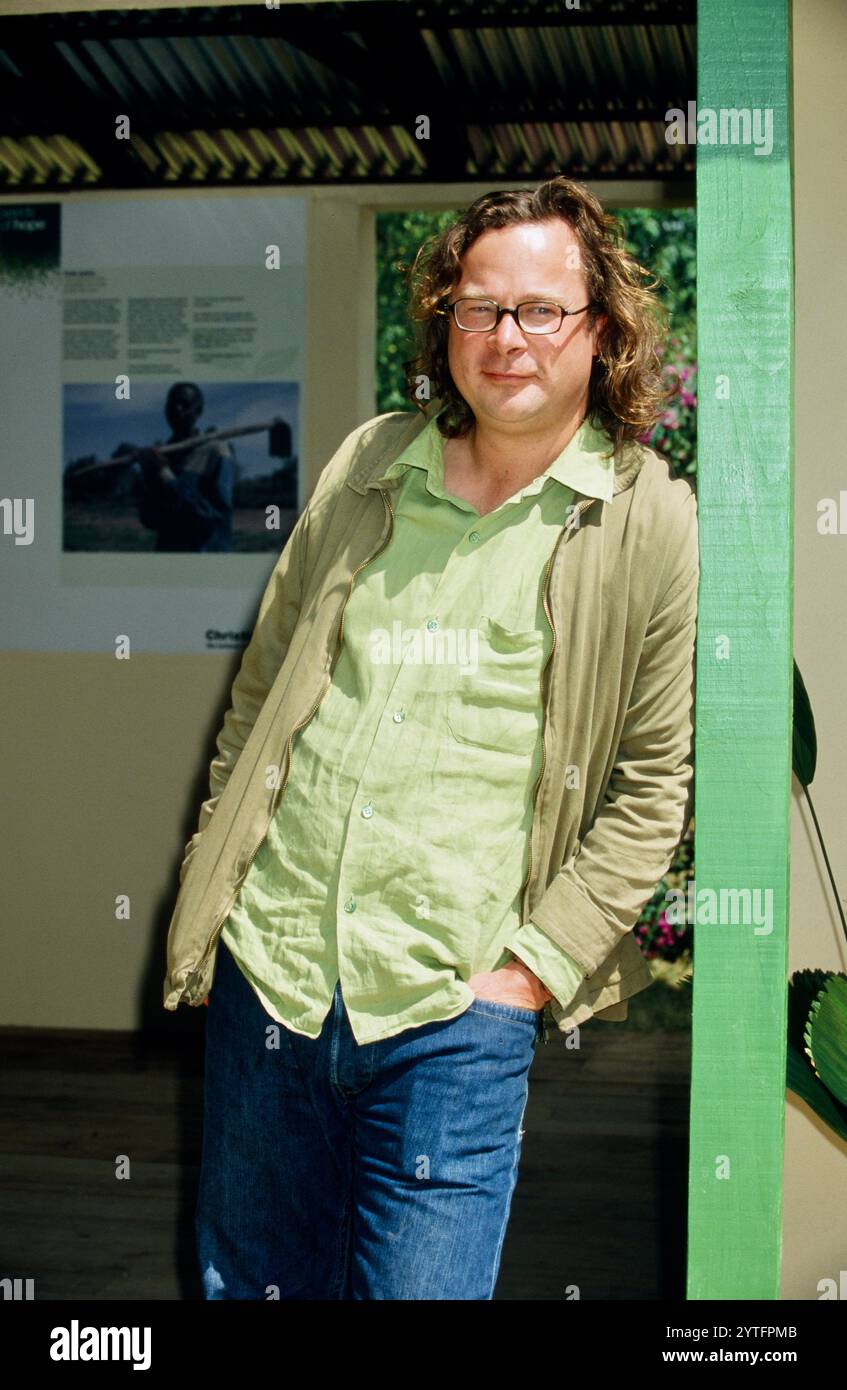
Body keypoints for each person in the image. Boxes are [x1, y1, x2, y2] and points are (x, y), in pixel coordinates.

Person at [163, 174, 699, 1300]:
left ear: (599, 330)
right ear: (445, 322)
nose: (506, 337)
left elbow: (652, 787)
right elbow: (259, 705)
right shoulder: (369, 465)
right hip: (275, 979)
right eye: (477, 307)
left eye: (539, 310)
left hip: (454, 1012)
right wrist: (224, 891)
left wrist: (529, 971)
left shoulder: (645, 513)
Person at [129, 382, 235, 552]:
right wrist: (149, 476)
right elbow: (149, 520)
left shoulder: (216, 451)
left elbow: (214, 520)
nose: (177, 409)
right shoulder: (161, 456)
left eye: (185, 404)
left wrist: (165, 475)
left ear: (198, 411)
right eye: (172, 404)